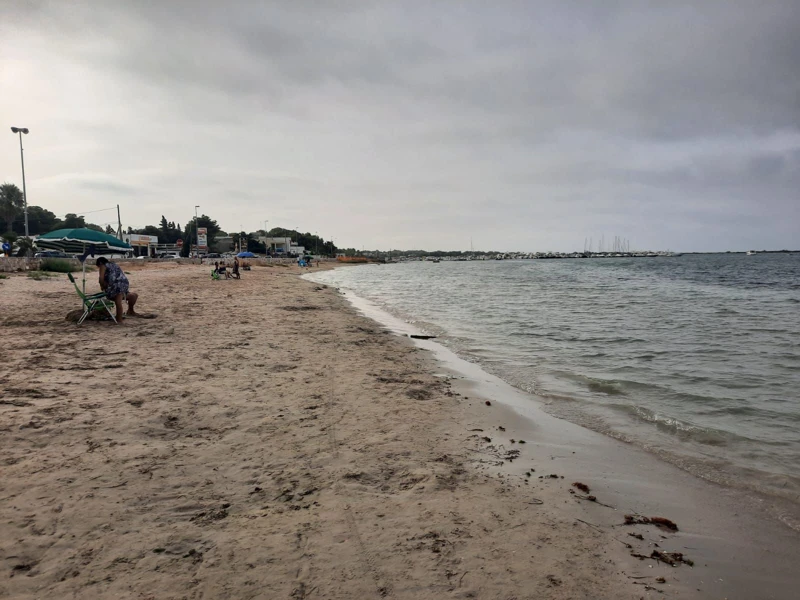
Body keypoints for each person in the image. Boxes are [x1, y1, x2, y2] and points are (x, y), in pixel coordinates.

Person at [96, 257, 138, 323]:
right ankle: (130, 311)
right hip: (124, 284)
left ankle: (119, 319)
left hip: (115, 286)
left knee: (118, 302)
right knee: (134, 296)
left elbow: (101, 279)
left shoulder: (103, 266)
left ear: (99, 263)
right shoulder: (114, 264)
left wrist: (102, 286)